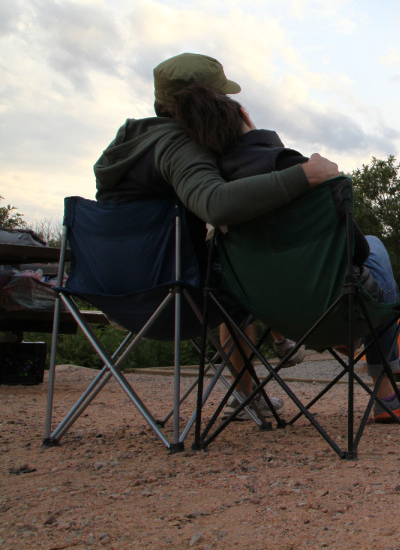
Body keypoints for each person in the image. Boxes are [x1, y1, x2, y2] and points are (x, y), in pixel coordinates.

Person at [167, 83, 400, 424]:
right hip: (331, 304)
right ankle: (385, 394)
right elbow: (357, 250)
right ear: (244, 115)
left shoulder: (218, 191)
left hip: (265, 310)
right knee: (375, 246)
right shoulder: (295, 167)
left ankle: (253, 391)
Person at [94, 53, 337, 419]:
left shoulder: (126, 148)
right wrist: (306, 174)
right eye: (222, 97)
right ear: (205, 100)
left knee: (225, 273)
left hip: (118, 293)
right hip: (172, 296)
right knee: (249, 272)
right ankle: (328, 345)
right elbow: (215, 203)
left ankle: (247, 391)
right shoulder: (176, 146)